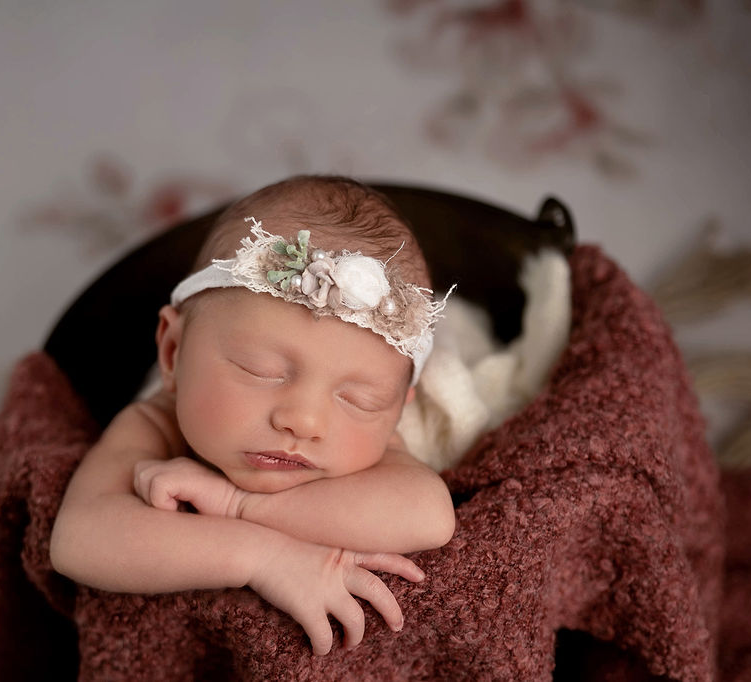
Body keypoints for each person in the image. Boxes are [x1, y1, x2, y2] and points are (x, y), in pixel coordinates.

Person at [50, 175, 456, 656]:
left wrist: (238, 505)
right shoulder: (154, 422)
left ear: (397, 411)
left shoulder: (375, 445)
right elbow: (81, 540)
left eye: (359, 399)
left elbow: (428, 515)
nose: (303, 421)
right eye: (260, 371)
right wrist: (262, 557)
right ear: (173, 350)